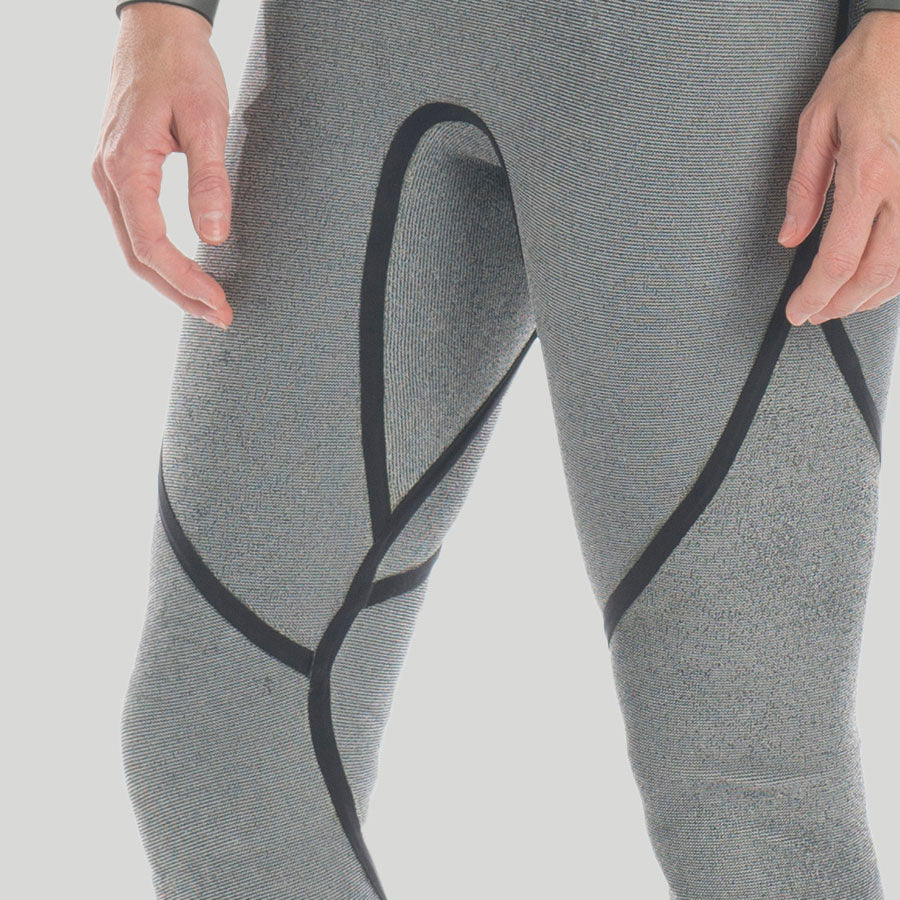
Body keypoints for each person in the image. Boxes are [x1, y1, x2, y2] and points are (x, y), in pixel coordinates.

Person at [91, 1, 900, 898]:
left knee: (746, 788)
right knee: (218, 736)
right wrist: (164, 11)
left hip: (699, 57)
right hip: (352, 42)